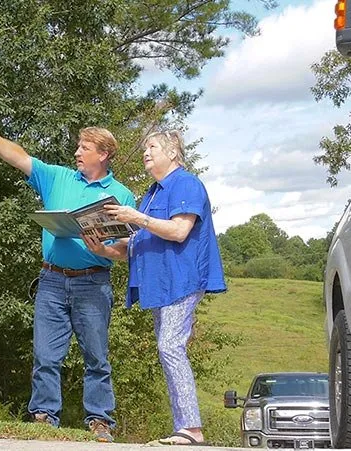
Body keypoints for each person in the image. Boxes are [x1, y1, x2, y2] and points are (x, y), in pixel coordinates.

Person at [0, 117, 136, 443]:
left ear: (104, 154)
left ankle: (100, 422)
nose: (78, 152)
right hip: (51, 281)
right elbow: (17, 156)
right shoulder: (57, 177)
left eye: (85, 148)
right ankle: (43, 418)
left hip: (93, 284)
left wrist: (106, 251)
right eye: (78, 146)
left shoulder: (122, 196)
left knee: (96, 356)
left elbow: (127, 248)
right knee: (45, 356)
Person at [82, 129, 226, 446]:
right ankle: (185, 427)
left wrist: (136, 216)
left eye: (152, 147)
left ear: (173, 153)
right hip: (159, 285)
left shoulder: (186, 183)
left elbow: (178, 231)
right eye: (146, 148)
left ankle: (191, 428)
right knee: (167, 349)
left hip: (182, 280)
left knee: (170, 347)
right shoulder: (152, 194)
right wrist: (101, 248)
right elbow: (133, 244)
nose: (146, 152)